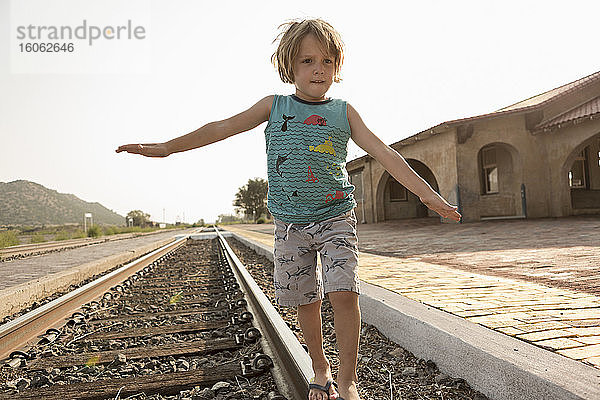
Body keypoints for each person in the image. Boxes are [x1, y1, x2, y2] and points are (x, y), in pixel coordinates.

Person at [117, 18, 461, 400]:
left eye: (327, 61)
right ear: (289, 66)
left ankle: (347, 379)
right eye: (308, 61)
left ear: (337, 67)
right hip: (290, 225)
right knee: (305, 300)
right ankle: (320, 366)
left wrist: (429, 196)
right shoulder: (274, 106)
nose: (319, 69)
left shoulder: (344, 112)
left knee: (344, 291)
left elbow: (385, 154)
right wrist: (166, 148)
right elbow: (221, 128)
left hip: (335, 217)